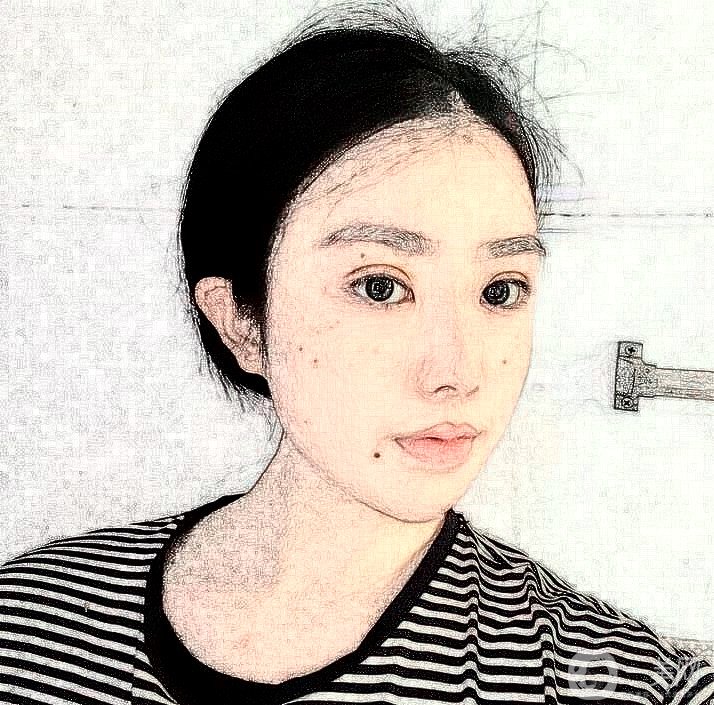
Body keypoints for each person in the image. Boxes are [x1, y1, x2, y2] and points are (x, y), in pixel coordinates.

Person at [1, 6, 712, 705]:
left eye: (500, 290)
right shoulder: (28, 627)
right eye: (380, 286)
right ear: (241, 322)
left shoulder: (624, 683)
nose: (456, 373)